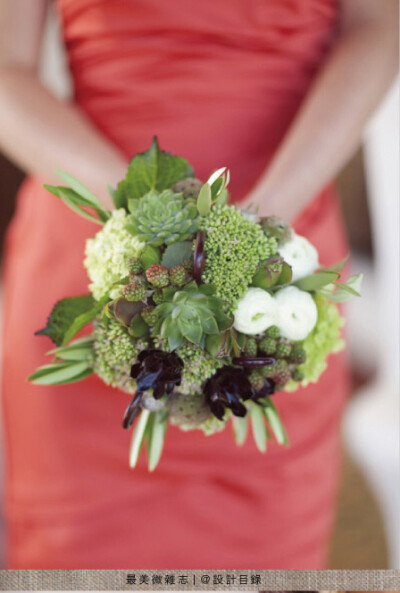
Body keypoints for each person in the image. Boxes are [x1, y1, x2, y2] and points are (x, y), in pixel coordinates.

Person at [0, 0, 397, 569]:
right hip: (100, 276)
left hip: (278, 277)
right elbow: (6, 71)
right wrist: (144, 218)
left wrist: (257, 230)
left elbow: (376, 25)